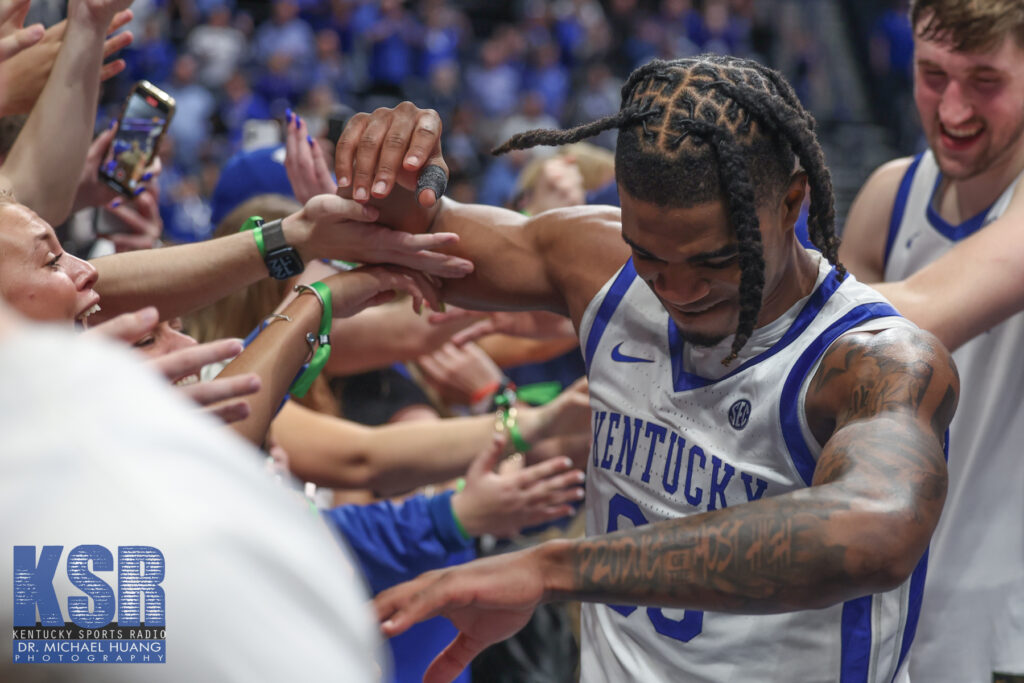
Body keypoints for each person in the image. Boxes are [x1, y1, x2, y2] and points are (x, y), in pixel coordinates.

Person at [336, 55, 959, 682]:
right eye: (651, 256)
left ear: (791, 202)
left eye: (715, 261)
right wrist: (397, 165)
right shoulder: (598, 266)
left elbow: (878, 531)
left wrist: (553, 570)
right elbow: (416, 235)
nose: (679, 289)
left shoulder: (872, 358)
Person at [839, 1, 1024, 679]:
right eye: (932, 74)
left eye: (985, 80)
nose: (952, 109)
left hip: (1007, 632)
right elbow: (818, 380)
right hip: (891, 625)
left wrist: (711, 285)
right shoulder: (891, 197)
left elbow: (924, 309)